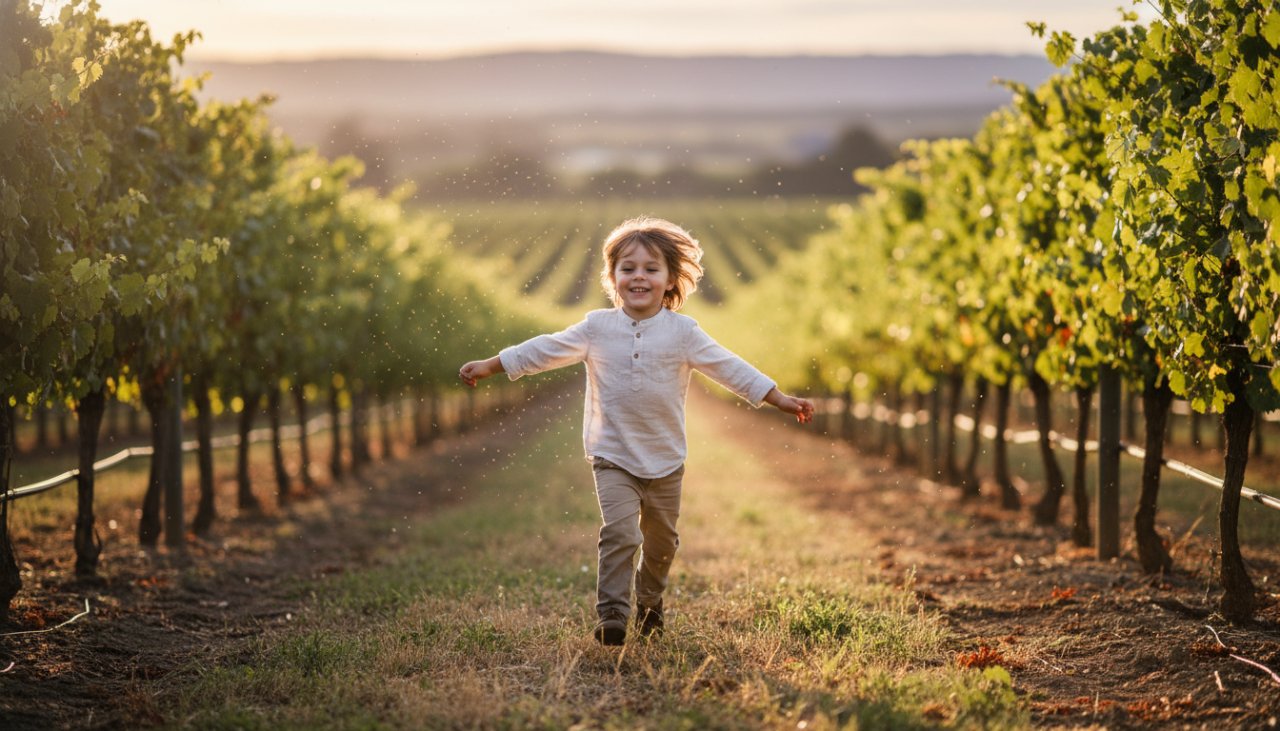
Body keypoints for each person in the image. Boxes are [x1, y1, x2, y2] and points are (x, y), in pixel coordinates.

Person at [458, 216, 814, 646]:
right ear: (612, 279)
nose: (638, 276)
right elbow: (544, 349)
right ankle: (612, 614)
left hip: (666, 459)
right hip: (613, 455)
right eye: (628, 268)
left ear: (670, 280)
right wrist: (493, 365)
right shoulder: (596, 327)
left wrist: (779, 397)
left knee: (662, 544)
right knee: (621, 532)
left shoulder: (684, 333)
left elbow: (728, 367)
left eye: (651, 268)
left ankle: (650, 601)